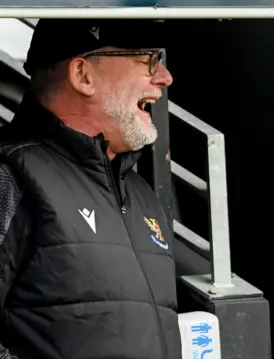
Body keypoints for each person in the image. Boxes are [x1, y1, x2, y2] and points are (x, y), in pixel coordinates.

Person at [0, 19, 180, 359]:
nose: (164, 78)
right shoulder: (10, 175)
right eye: (149, 62)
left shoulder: (140, 193)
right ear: (83, 75)